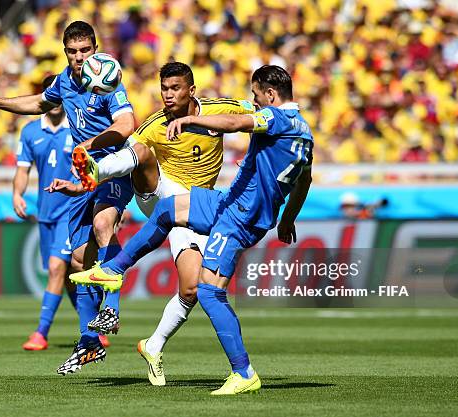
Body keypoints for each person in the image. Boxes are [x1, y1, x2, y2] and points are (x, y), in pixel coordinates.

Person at [70, 65, 314, 395]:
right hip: (227, 201)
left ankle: (243, 373)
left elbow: (236, 121)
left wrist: (190, 120)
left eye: (257, 97)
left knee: (207, 292)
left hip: (239, 219)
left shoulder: (277, 118)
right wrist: (286, 220)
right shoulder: (305, 136)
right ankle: (114, 269)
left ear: (271, 96)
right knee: (169, 210)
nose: (254, 102)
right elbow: (304, 181)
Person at [49, 61, 255, 386]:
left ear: (191, 90)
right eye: (164, 88)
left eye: (175, 88)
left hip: (194, 208)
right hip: (158, 194)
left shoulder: (219, 110)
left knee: (192, 288)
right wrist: (92, 176)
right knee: (142, 151)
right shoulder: (155, 124)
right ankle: (96, 169)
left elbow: (255, 115)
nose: (168, 95)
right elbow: (132, 154)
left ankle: (153, 344)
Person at [0, 21, 135, 374]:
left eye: (85, 50)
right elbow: (38, 103)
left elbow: (126, 125)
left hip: (113, 167)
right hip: (84, 176)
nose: (79, 57)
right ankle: (89, 342)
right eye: (73, 51)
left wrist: (89, 144)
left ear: (95, 48)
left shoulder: (107, 78)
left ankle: (113, 310)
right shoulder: (64, 80)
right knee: (78, 260)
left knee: (105, 222)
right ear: (65, 52)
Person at [13, 75, 79, 351]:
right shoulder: (29, 131)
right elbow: (22, 169)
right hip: (46, 212)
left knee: (56, 268)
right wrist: (17, 193)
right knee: (65, 274)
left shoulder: (78, 129)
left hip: (71, 210)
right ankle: (93, 326)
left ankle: (41, 333)